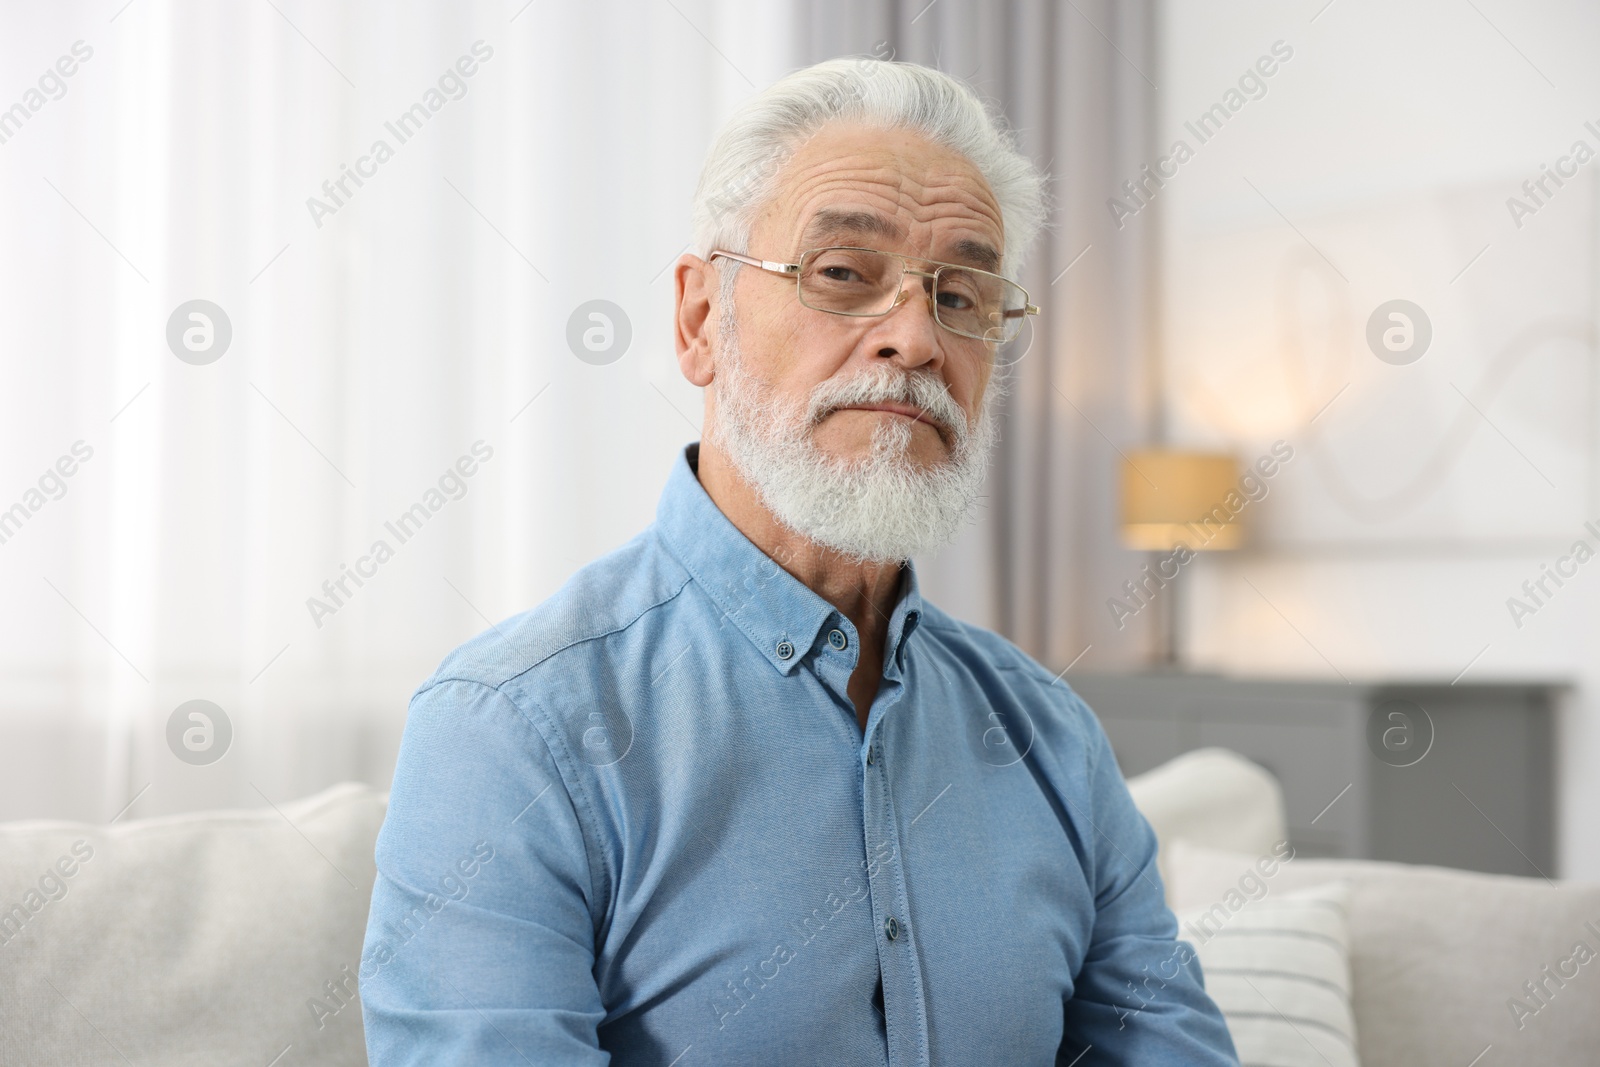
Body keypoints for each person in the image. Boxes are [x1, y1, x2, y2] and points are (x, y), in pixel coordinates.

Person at [360, 56, 1239, 1066]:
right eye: (842, 274)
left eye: (962, 294)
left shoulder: (1049, 734)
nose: (913, 337)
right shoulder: (511, 728)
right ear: (700, 319)